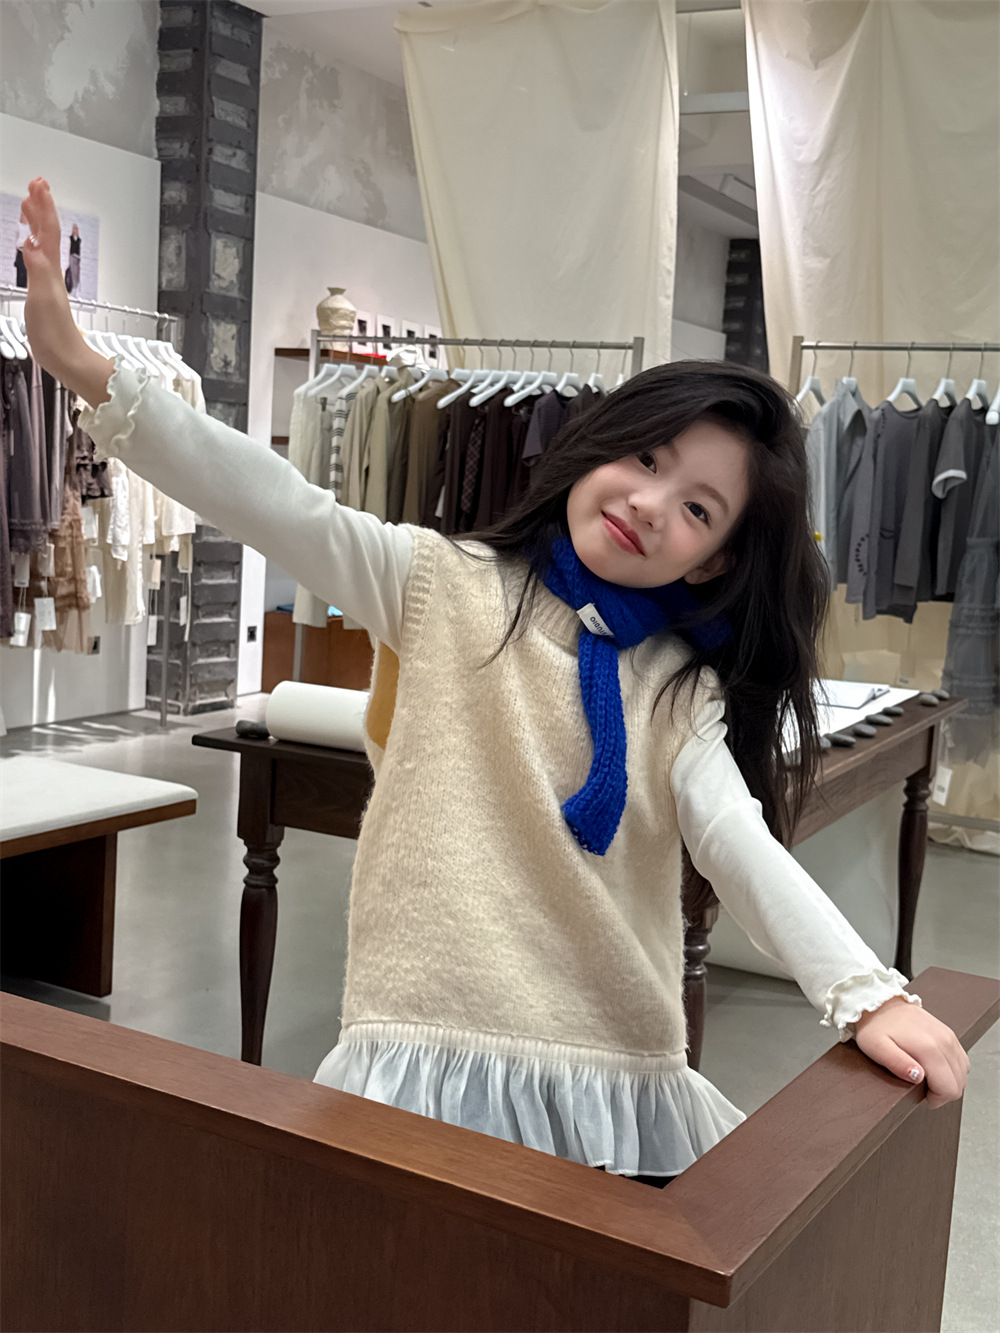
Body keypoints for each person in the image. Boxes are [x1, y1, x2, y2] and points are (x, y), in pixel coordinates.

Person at [19, 176, 970, 1186]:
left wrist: (865, 991)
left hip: (611, 1083)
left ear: (714, 563)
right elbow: (278, 504)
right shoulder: (437, 583)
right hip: (422, 1046)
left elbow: (739, 844)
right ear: (596, 449)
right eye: (647, 458)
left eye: (698, 509)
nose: (651, 504)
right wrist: (83, 368)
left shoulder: (677, 689)